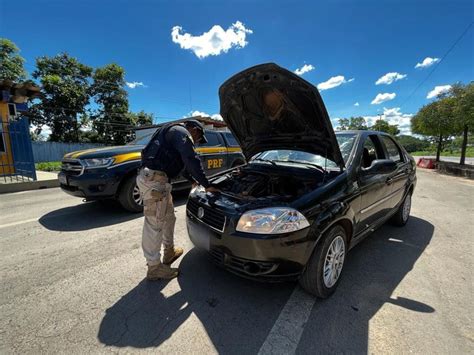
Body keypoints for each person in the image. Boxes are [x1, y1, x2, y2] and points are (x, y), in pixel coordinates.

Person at [137, 120, 219, 281]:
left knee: (169, 218)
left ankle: (169, 252)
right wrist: (206, 184)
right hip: (154, 181)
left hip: (160, 181)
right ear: (194, 130)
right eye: (198, 138)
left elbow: (181, 164)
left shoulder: (172, 133)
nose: (196, 142)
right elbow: (190, 158)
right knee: (154, 223)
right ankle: (154, 268)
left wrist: (192, 180)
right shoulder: (180, 132)